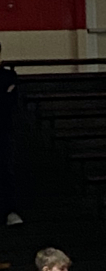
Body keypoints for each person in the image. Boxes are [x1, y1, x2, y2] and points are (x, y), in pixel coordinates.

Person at [0, 41, 21, 227]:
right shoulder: (8, 79)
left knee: (6, 170)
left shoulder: (8, 75)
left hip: (3, 130)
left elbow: (11, 102)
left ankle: (10, 211)